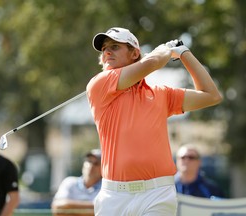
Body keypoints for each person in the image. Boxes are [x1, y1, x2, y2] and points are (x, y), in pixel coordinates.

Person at [86, 27, 222, 215]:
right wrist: (165, 50)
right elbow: (153, 63)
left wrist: (184, 53)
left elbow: (211, 95)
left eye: (115, 46)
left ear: (135, 53)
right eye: (104, 49)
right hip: (114, 196)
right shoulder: (99, 84)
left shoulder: (160, 93)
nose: (107, 51)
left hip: (157, 193)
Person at [51, 149, 102, 216]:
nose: (91, 166)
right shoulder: (69, 182)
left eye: (96, 163)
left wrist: (69, 209)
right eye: (89, 161)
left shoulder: (106, 188)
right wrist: (94, 208)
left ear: (103, 168)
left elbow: (106, 210)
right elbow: (58, 207)